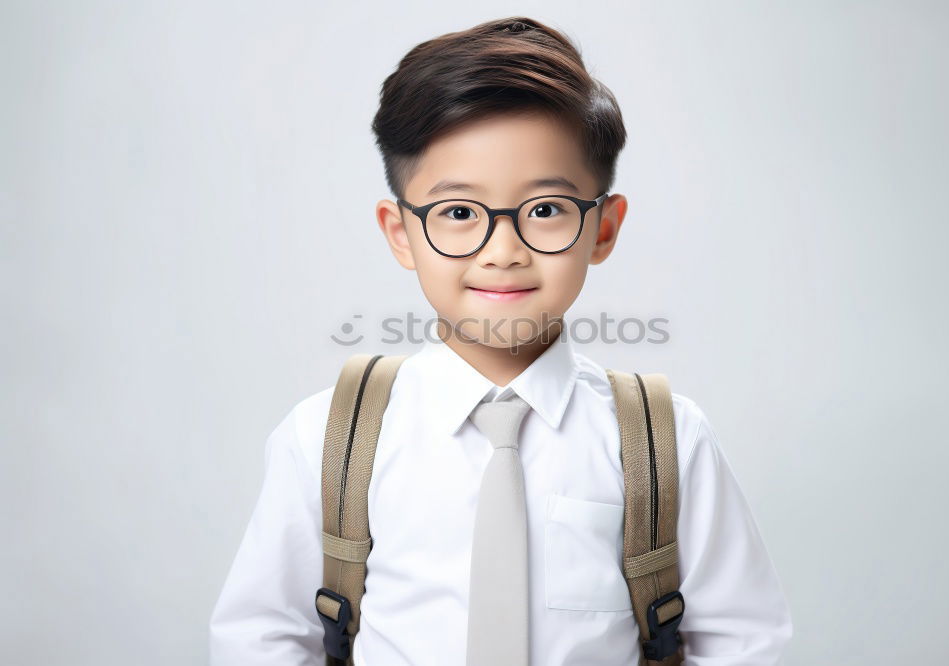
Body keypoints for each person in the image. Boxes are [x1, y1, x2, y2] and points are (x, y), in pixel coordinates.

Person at [209, 16, 793, 666]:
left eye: (545, 209)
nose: (504, 250)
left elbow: (745, 642)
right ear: (400, 232)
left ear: (603, 228)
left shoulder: (666, 443)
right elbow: (261, 639)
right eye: (458, 213)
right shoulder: (326, 438)